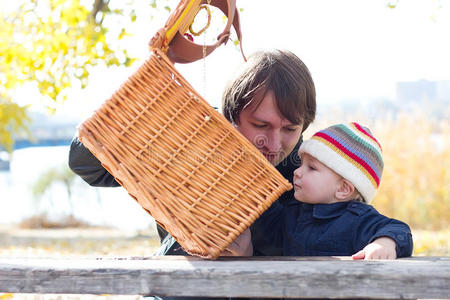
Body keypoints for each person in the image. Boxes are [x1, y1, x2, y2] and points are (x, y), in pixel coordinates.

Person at [68, 49, 316, 259]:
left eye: (289, 129)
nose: (273, 144)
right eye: (260, 126)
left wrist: (249, 253)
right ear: (231, 117)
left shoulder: (307, 168)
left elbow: (311, 243)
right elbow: (85, 163)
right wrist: (150, 104)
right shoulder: (190, 135)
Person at [253, 122, 413, 259]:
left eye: (311, 168)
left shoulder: (357, 219)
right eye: (301, 164)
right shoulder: (293, 214)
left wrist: (384, 242)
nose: (297, 171)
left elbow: (399, 229)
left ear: (343, 189)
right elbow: (269, 222)